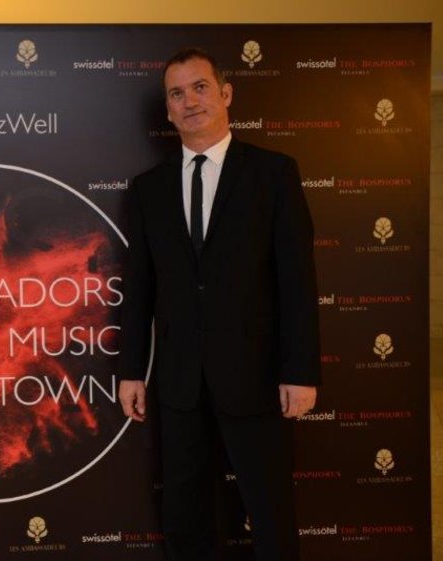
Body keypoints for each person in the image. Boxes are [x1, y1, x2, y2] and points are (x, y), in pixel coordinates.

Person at [117, 47, 321, 561]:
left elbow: (297, 280)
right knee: (184, 512)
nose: (190, 101)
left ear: (226, 94)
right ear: (168, 111)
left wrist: (300, 372)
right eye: (177, 94)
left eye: (200, 87)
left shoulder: (274, 174)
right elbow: (139, 287)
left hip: (256, 376)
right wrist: (132, 370)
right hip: (179, 380)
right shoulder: (148, 189)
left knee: (270, 508)